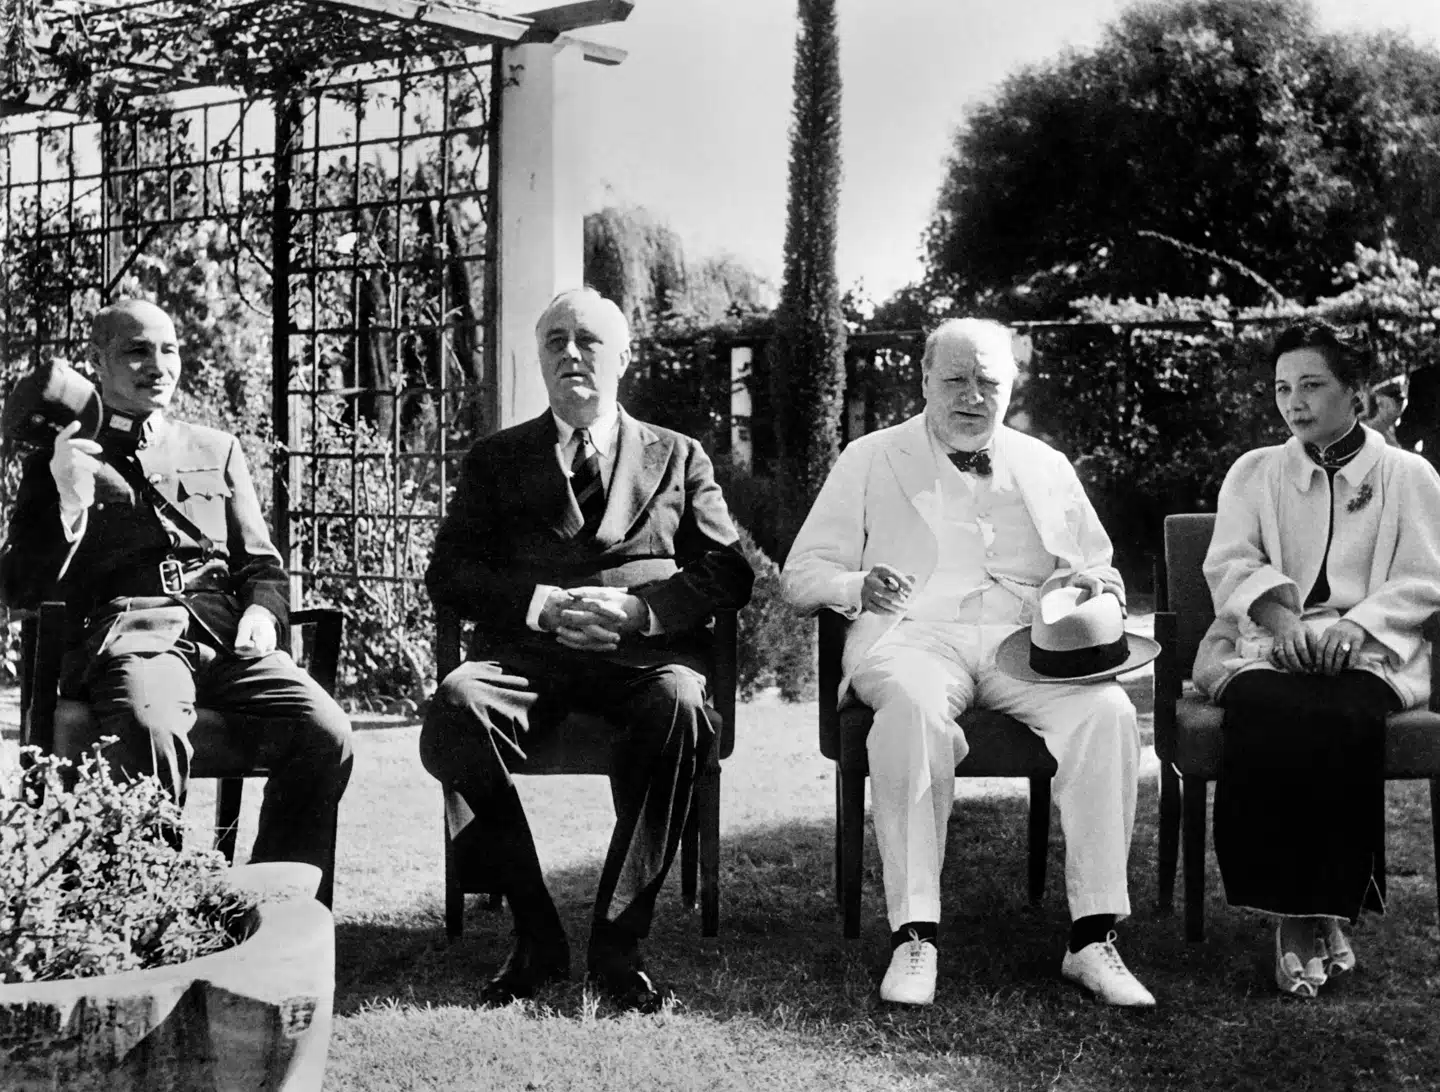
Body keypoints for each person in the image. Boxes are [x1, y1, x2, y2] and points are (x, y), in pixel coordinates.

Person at [782, 318, 1155, 1008]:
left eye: (989, 381)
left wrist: (1088, 591)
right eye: (954, 379)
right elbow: (801, 575)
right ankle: (915, 936)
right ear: (923, 379)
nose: (971, 395)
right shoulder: (870, 458)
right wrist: (855, 585)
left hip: (1026, 645)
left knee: (1107, 711)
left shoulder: (1047, 465)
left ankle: (1093, 937)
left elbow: (1103, 572)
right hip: (913, 636)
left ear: (1011, 386)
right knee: (912, 712)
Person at [421, 287, 754, 1012]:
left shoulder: (678, 455)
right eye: (556, 341)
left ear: (625, 356)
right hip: (528, 658)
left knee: (680, 702)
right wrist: (543, 608)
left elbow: (728, 568)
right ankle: (537, 934)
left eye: (589, 341)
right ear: (539, 358)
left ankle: (617, 944)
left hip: (639, 662)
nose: (571, 354)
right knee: (457, 705)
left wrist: (642, 611)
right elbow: (449, 571)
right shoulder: (496, 459)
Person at [0, 299, 353, 906]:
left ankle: (271, 905)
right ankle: (151, 908)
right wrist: (65, 499)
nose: (156, 366)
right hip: (135, 634)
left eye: (169, 350)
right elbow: (17, 586)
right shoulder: (60, 459)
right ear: (99, 362)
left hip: (225, 639)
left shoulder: (216, 448)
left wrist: (263, 612)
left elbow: (262, 564)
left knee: (326, 730)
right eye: (137, 351)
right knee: (152, 725)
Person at [1195, 319, 1440, 998]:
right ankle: (1297, 915)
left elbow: (1425, 575)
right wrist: (1286, 622)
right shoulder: (1255, 472)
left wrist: (1354, 629)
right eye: (1281, 388)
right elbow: (1232, 564)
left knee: (1341, 713)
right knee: (1269, 705)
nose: (1293, 402)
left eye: (1312, 385)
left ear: (1356, 391)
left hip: (1371, 651)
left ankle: (1323, 908)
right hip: (1269, 640)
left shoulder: (1406, 474)